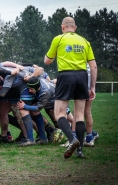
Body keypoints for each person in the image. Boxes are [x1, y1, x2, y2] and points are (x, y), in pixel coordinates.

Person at [44, 17, 97, 158]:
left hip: (65, 76)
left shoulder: (58, 39)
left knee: (59, 113)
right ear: (75, 27)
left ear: (63, 27)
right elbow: (93, 66)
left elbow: (47, 61)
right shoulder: (85, 41)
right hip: (82, 76)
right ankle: (80, 150)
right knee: (79, 115)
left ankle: (72, 140)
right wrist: (92, 87)